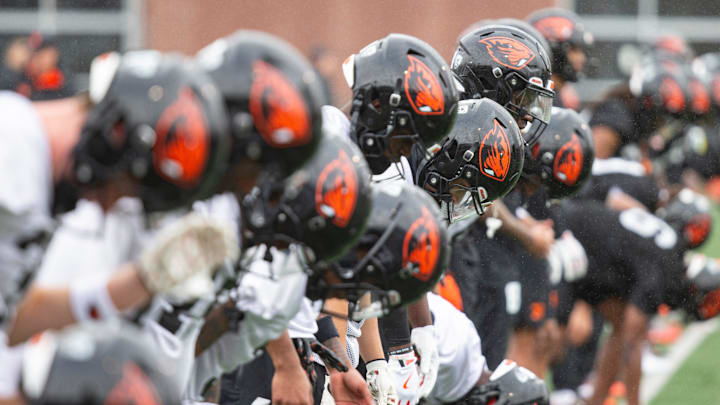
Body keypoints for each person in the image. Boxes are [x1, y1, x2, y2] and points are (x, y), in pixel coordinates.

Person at [527, 8, 593, 110]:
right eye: (573, 49)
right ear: (552, 50)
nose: (582, 58)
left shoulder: (558, 94)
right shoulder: (534, 99)